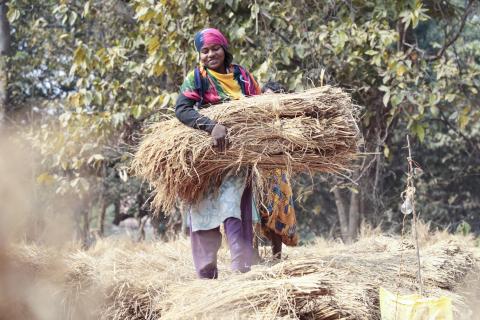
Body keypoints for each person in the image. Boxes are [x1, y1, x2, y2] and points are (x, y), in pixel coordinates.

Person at [174, 28, 260, 279]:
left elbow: (258, 100)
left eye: (215, 48)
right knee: (203, 209)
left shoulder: (241, 74)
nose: (210, 54)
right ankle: (206, 275)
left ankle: (241, 270)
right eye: (204, 50)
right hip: (206, 155)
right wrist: (211, 127)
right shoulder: (197, 78)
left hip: (236, 152)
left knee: (232, 202)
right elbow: (182, 109)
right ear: (199, 54)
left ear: (225, 49)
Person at [258, 81, 299, 259]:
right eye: (266, 96)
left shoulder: (287, 121)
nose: (270, 101)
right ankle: (253, 255)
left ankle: (277, 257)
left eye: (275, 96)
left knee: (278, 213)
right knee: (258, 214)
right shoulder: (254, 119)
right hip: (258, 172)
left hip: (278, 173)